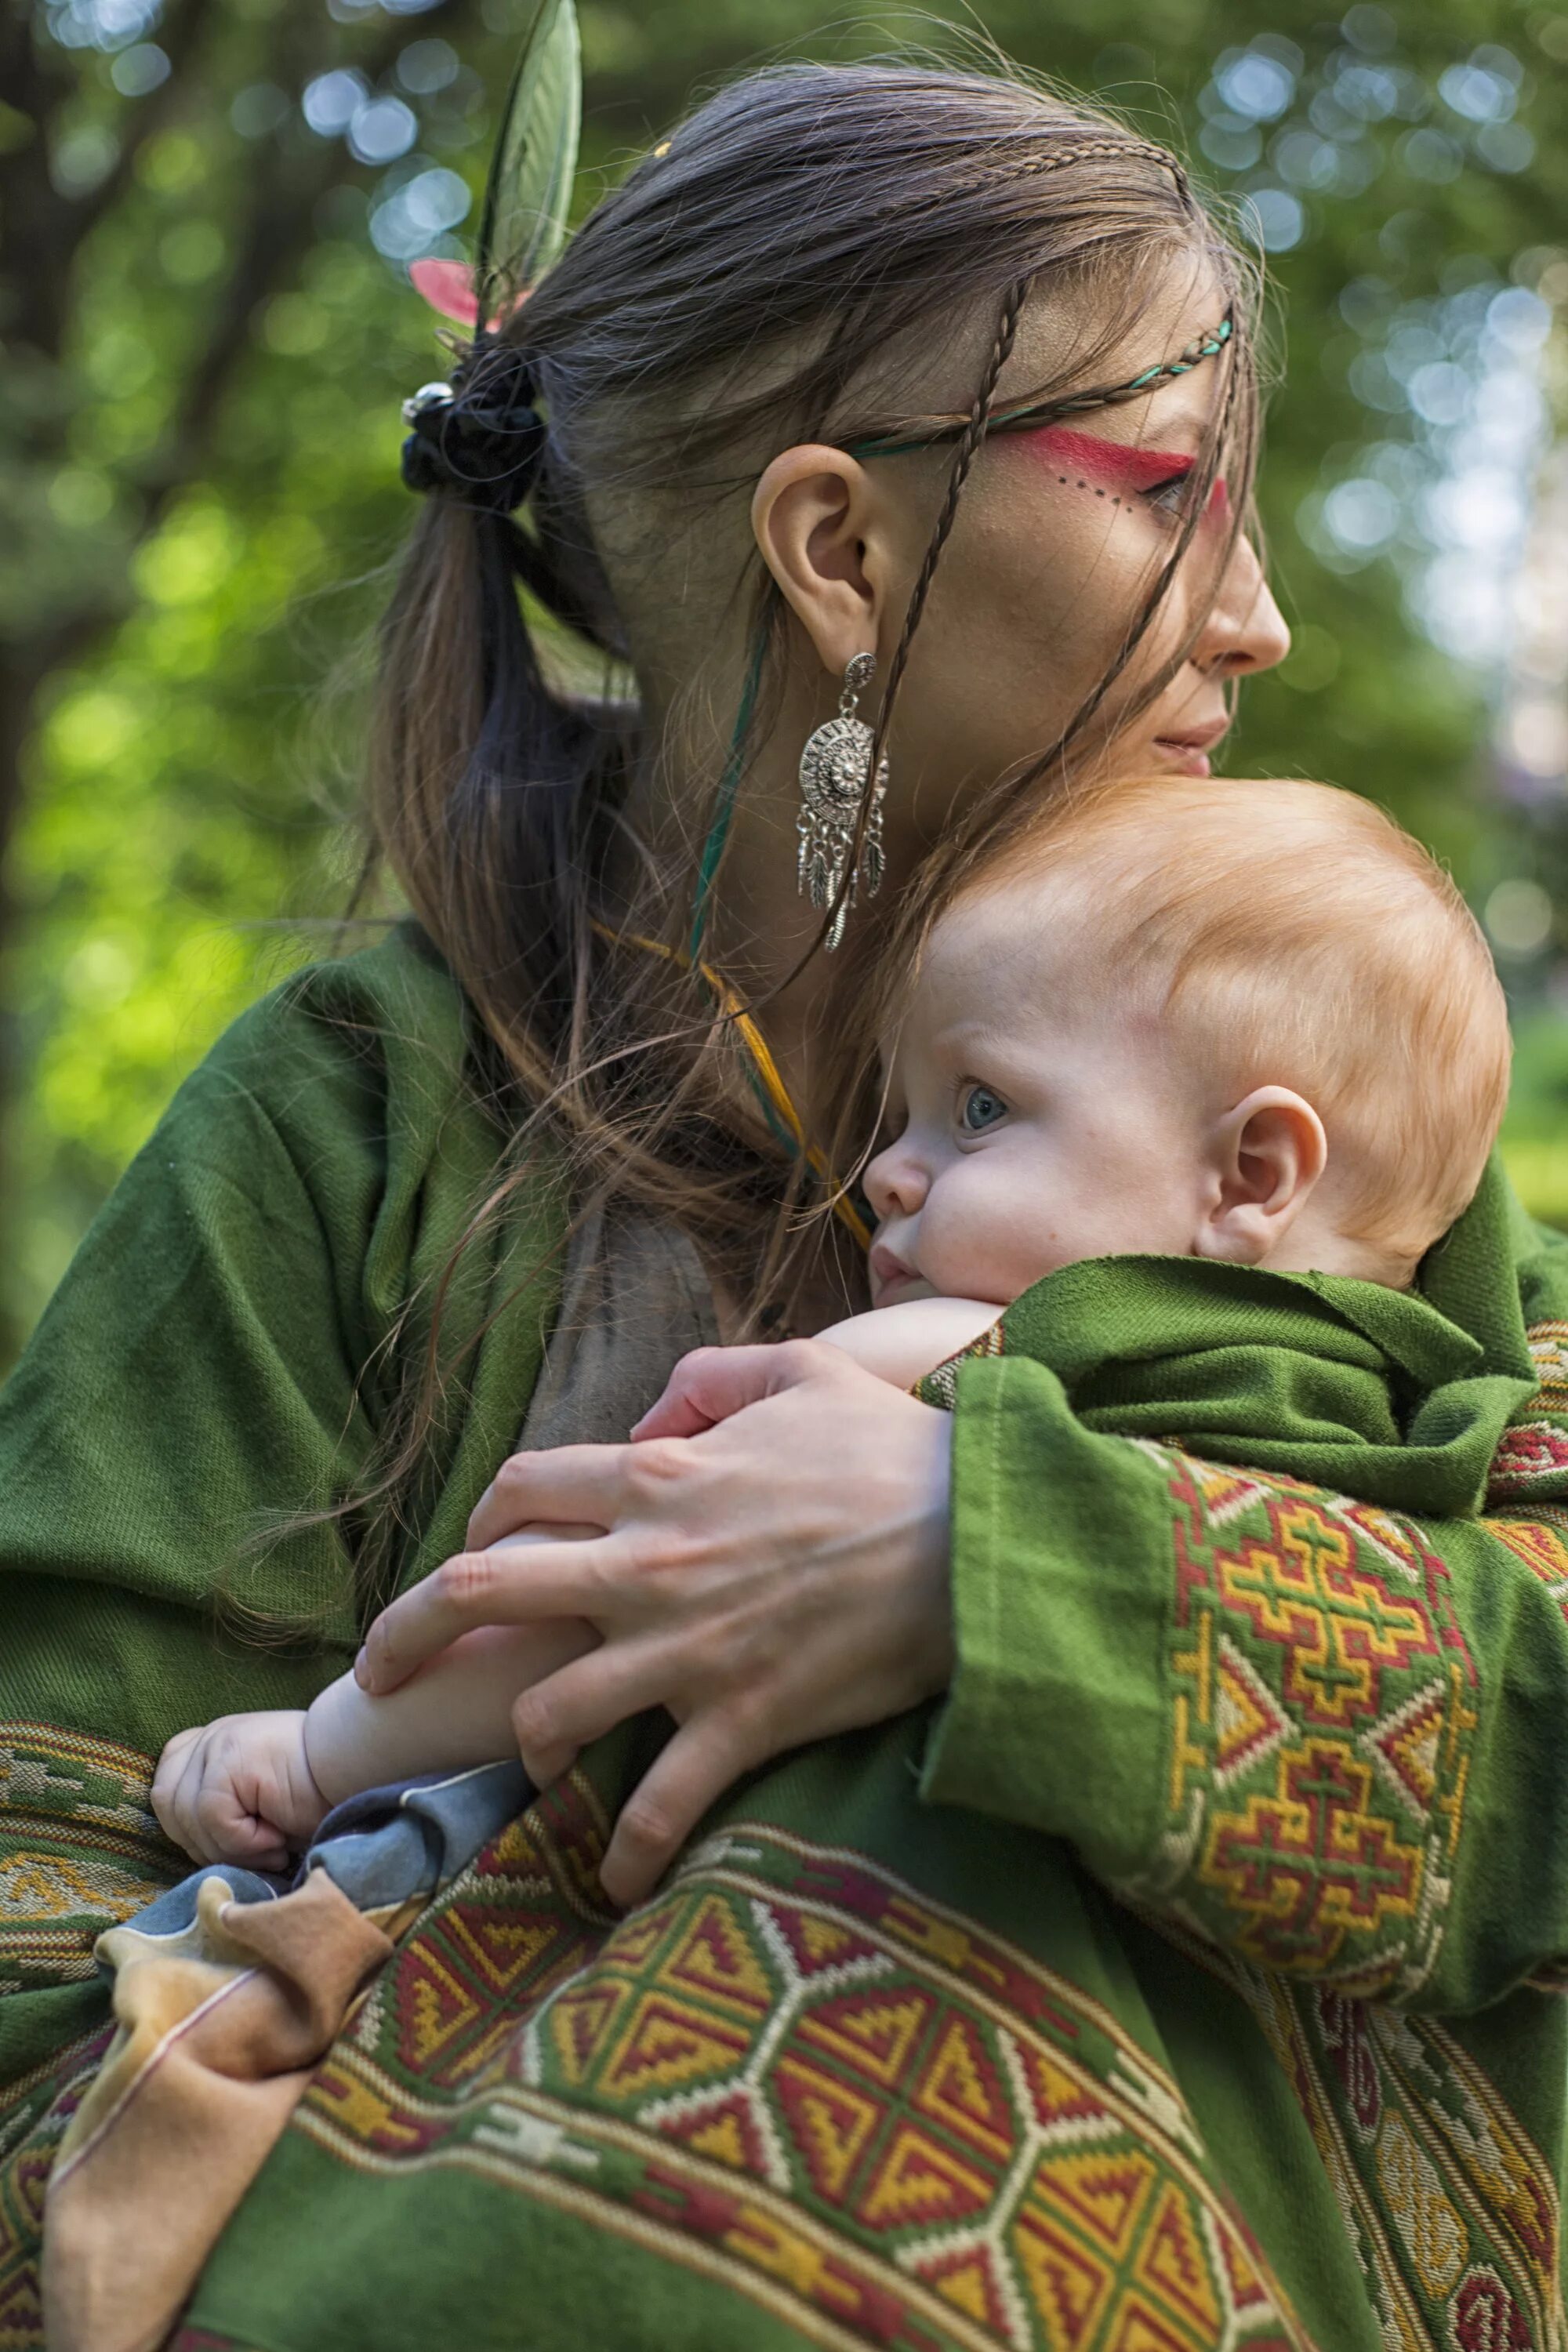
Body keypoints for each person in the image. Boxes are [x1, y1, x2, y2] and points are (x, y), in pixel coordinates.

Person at [4, 44, 1566, 2352]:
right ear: (838, 548)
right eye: (1165, 496)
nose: (1260, 622)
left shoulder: (1288, 1067)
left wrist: (994, 1578)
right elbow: (39, 1897)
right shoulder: (358, 1116)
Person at [147, 774, 1517, 1871]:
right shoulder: (1437, 1406)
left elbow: (604, 1590)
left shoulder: (960, 1354)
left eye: (980, 1106)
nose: (890, 1173)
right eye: (903, 1112)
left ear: (1251, 1176)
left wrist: (321, 1751)